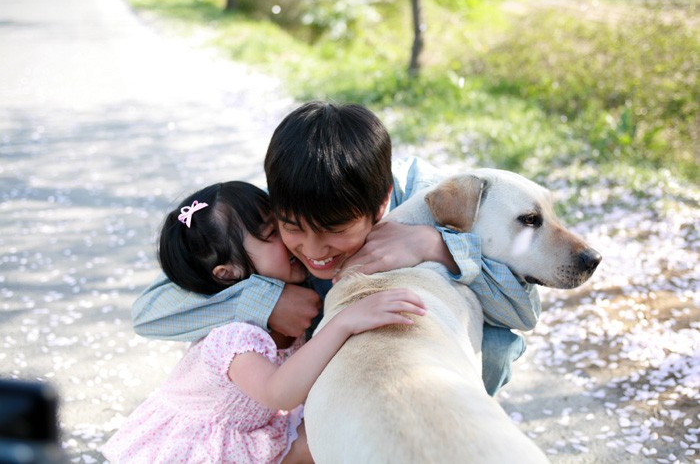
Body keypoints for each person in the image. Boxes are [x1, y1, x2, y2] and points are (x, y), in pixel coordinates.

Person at [131, 101, 541, 396]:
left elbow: (521, 314)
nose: (312, 251)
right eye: (291, 227)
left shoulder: (432, 199)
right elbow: (151, 313)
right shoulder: (267, 211)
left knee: (496, 345)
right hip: (314, 372)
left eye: (334, 230)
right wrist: (266, 300)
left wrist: (436, 245)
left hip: (422, 364)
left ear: (381, 204)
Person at [102, 181, 426, 463]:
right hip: (201, 449)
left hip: (253, 433)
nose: (290, 239)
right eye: (273, 233)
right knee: (322, 439)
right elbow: (279, 392)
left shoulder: (289, 306)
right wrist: (343, 322)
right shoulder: (232, 337)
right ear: (228, 273)